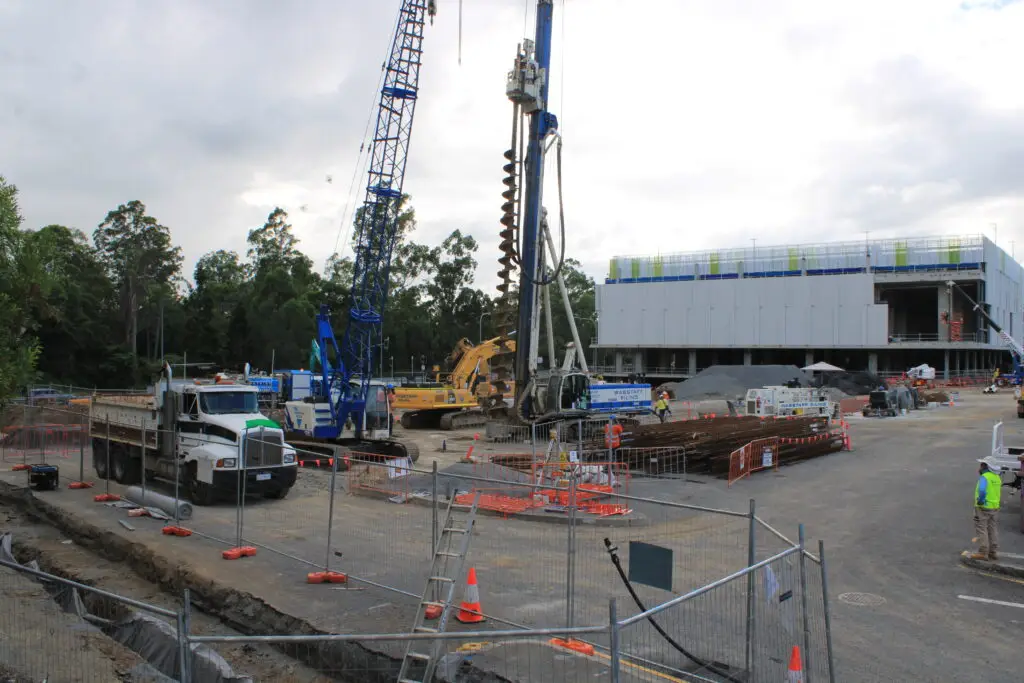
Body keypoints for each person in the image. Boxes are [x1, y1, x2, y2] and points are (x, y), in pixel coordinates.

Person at [970, 459, 1002, 560]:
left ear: (985, 466)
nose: (979, 467)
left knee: (981, 528)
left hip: (983, 507)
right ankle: (993, 552)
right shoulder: (997, 477)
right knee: (992, 528)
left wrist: (980, 501)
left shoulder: (984, 477)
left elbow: (982, 491)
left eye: (981, 465)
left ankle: (983, 552)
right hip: (994, 507)